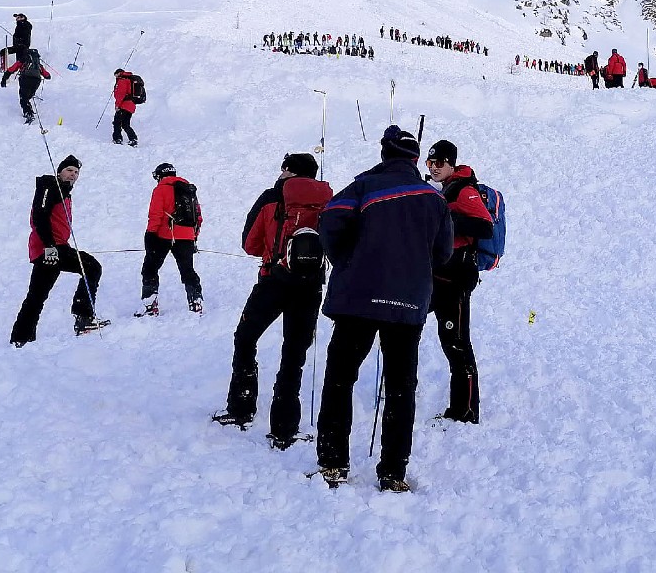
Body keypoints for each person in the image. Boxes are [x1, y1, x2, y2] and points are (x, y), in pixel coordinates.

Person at [314, 126, 453, 492]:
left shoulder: (364, 187)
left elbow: (329, 222)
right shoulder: (435, 199)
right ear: (415, 159)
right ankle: (393, 471)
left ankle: (333, 463)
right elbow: (443, 254)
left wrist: (347, 261)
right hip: (408, 303)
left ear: (384, 153)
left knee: (340, 379)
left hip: (357, 299)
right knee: (401, 388)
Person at [212, 154, 334, 448]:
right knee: (294, 353)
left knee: (245, 338)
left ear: (288, 171)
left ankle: (241, 407)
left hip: (273, 280)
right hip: (310, 287)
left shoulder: (271, 197)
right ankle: (284, 428)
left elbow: (250, 244)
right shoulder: (327, 200)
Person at [424, 140, 494, 424]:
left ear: (451, 163)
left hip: (456, 279)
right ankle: (460, 408)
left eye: (439, 162)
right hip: (439, 275)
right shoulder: (445, 188)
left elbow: (485, 226)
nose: (434, 167)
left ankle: (466, 411)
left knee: (457, 343)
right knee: (446, 339)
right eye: (430, 162)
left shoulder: (465, 190)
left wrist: (448, 218)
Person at [10, 155, 109, 347]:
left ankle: (21, 339)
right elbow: (39, 216)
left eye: (76, 172)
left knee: (36, 297)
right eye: (69, 170)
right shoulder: (50, 186)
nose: (73, 175)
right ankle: (83, 317)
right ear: (59, 172)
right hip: (50, 248)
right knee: (91, 267)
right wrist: (50, 246)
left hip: (52, 249)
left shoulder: (63, 192)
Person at [136, 163, 204, 318]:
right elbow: (198, 217)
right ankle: (196, 302)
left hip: (164, 235)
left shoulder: (160, 189)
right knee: (187, 270)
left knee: (150, 268)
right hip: (187, 236)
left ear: (159, 176)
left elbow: (155, 215)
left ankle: (150, 305)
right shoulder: (189, 190)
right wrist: (194, 236)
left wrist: (150, 234)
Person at [0, 48, 52, 124]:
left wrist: (4, 79)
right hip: (36, 81)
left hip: (25, 79)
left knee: (23, 98)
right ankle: (29, 110)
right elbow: (47, 75)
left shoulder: (23, 60)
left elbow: (11, 69)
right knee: (28, 96)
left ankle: (28, 114)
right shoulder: (38, 64)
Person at [111, 68, 140, 146]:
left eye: (115, 75)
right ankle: (133, 139)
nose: (115, 77)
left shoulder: (122, 80)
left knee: (117, 122)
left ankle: (117, 139)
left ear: (118, 73)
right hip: (131, 105)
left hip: (123, 105)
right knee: (125, 124)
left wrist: (117, 106)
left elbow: (120, 94)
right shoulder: (130, 79)